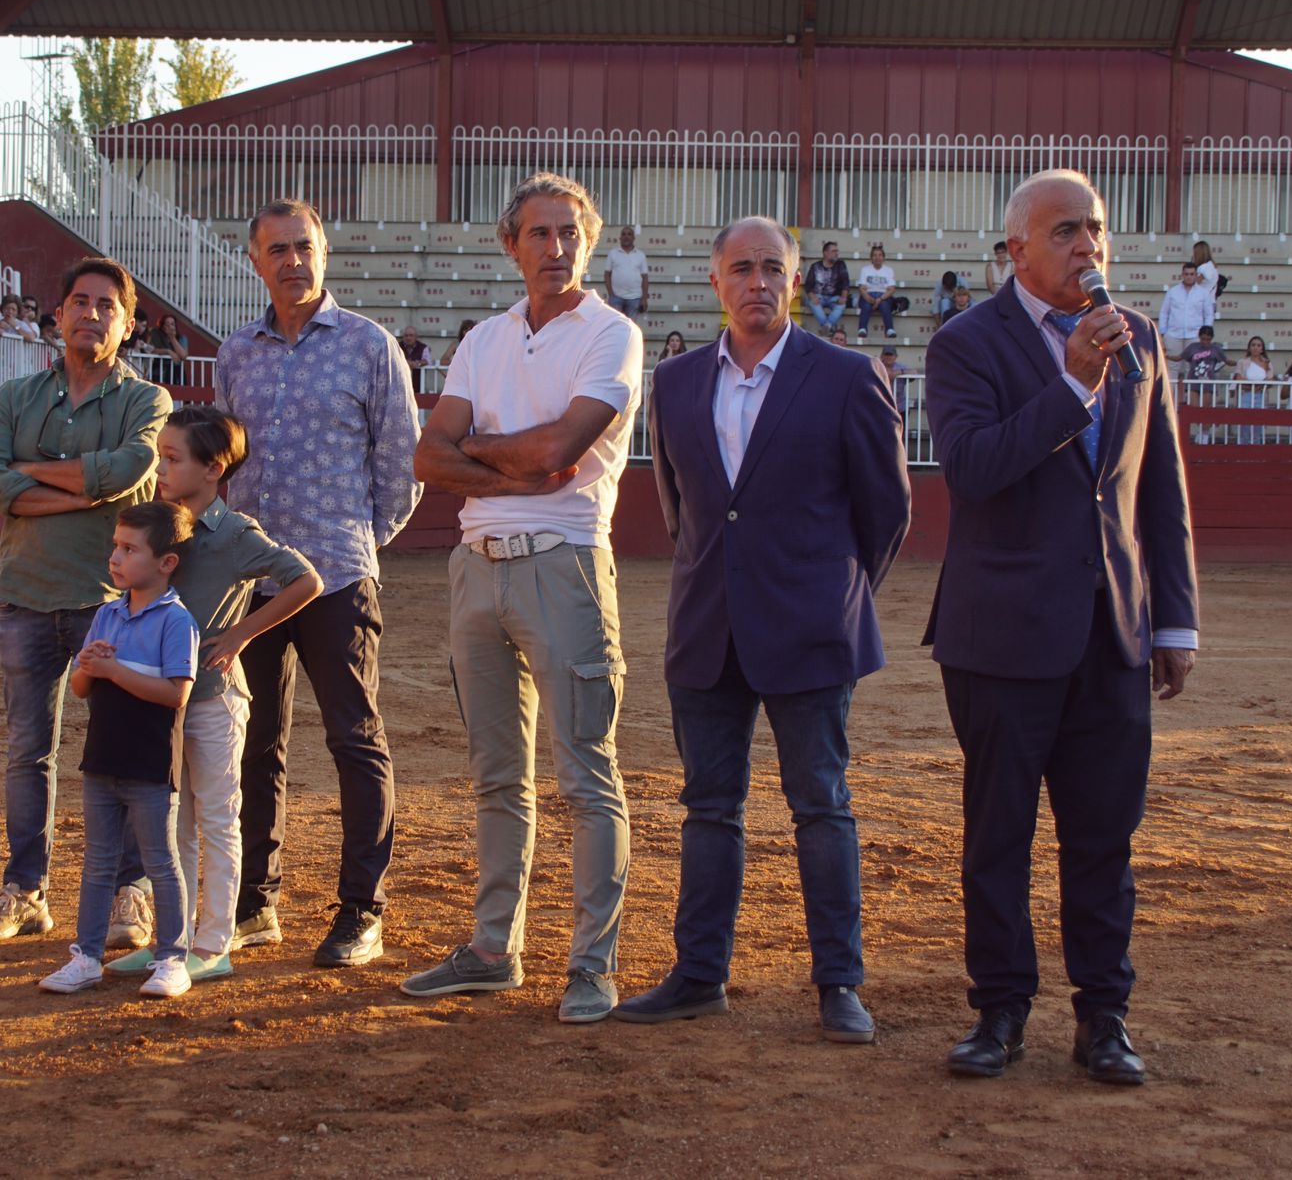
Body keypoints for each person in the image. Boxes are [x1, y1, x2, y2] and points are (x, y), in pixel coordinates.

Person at [923, 168, 1199, 1088]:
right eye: (1068, 231)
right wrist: (1073, 382)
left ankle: (1104, 1018)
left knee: (1103, 839)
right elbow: (971, 470)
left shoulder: (1143, 341)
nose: (1090, 246)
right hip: (1000, 637)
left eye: (1098, 229)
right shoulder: (967, 343)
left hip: (1111, 632)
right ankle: (999, 1012)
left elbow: (1159, 491)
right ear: (1018, 251)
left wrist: (1176, 623)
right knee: (998, 834)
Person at [618, 215, 911, 1043]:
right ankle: (699, 974)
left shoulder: (849, 375)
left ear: (796, 281)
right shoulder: (673, 384)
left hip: (813, 628)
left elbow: (886, 512)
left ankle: (839, 984)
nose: (757, 282)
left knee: (821, 805)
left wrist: (834, 594)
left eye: (772, 268)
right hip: (708, 627)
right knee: (710, 807)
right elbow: (684, 510)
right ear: (716, 282)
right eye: (741, 268)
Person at [404, 171, 640, 1024]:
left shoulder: (611, 333)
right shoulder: (483, 338)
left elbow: (562, 450)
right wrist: (518, 462)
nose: (556, 248)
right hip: (477, 567)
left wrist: (487, 454)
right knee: (496, 776)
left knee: (586, 774)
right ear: (512, 245)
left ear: (590, 239)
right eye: (539, 234)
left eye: (571, 233)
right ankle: (494, 950)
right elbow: (431, 459)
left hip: (564, 562)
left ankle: (591, 963)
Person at [215, 199, 423, 967]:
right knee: (253, 743)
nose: (293, 261)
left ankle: (362, 910)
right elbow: (228, 467)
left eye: (305, 246)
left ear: (325, 253)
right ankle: (256, 904)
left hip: (336, 576)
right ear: (255, 261)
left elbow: (400, 465)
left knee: (354, 739)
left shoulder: (369, 347)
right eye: (277, 249)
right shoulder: (236, 353)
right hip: (255, 583)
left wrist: (357, 544)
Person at [0, 256, 174, 946]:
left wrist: (30, 474)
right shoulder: (17, 395)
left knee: (126, 752)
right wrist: (84, 494)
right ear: (58, 317)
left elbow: (128, 470)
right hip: (25, 595)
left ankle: (130, 893)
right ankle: (26, 891)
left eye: (106, 305)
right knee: (29, 750)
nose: (90, 313)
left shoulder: (146, 401)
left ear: (127, 324)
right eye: (79, 302)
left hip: (110, 602)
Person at [117, 405, 323, 987]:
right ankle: (172, 943)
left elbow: (307, 579)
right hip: (160, 698)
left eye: (173, 459)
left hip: (212, 697)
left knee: (215, 819)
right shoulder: (158, 524)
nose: (161, 468)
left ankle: (214, 943)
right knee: (170, 824)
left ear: (213, 469)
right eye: (161, 456)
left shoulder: (235, 534)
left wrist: (240, 633)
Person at [37, 501, 201, 1000]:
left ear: (166, 562)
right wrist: (87, 665)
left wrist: (112, 671)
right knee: (98, 861)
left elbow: (177, 693)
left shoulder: (177, 621)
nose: (116, 557)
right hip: (102, 759)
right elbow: (84, 688)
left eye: (130, 549)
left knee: (160, 861)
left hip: (150, 763)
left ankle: (173, 957)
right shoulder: (107, 613)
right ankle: (86, 956)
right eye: (116, 546)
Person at [1158, 263, 1214, 373]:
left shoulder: (1203, 293)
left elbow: (1209, 314)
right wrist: (1163, 332)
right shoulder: (1172, 292)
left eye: (1192, 274)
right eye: (1186, 274)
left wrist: (1205, 333)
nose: (1189, 276)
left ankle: (1190, 391)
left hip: (1195, 335)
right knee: (1173, 366)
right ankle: (1172, 391)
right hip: (1174, 334)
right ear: (1182, 275)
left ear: (1196, 275)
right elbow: (1164, 312)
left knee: (1193, 366)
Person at [803, 241, 850, 335]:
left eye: (837, 251)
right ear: (825, 253)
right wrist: (812, 297)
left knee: (842, 305)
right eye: (833, 251)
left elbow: (845, 282)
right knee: (813, 303)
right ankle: (828, 326)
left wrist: (844, 297)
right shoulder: (815, 266)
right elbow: (808, 285)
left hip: (834, 298)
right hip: (818, 296)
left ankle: (826, 326)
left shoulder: (840, 265)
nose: (836, 253)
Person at [854, 243, 899, 341]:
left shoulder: (889, 270)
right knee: (866, 305)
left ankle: (889, 329)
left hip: (883, 296)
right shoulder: (865, 270)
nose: (877, 257)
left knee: (885, 305)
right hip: (868, 295)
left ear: (883, 257)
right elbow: (861, 288)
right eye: (874, 255)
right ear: (871, 258)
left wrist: (880, 299)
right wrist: (870, 299)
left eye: (879, 255)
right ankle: (862, 329)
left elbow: (892, 289)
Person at [604, 225, 649, 320]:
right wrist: (611, 294)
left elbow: (645, 278)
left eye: (629, 234)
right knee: (615, 325)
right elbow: (607, 274)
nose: (626, 236)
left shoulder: (640, 255)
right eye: (623, 234)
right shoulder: (613, 253)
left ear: (633, 238)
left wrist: (644, 299)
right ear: (620, 238)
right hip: (616, 297)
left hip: (635, 297)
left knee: (631, 328)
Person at [1234, 336, 1272, 444]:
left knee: (1257, 427)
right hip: (1245, 395)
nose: (1255, 348)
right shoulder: (1242, 362)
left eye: (1258, 345)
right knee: (1244, 427)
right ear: (1249, 348)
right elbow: (1239, 379)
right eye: (1253, 345)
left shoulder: (1267, 363)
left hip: (1260, 396)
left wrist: (1259, 386)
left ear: (1262, 349)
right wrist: (1254, 386)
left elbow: (1269, 380)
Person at [397, 325, 430, 391]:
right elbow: (394, 359)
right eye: (406, 335)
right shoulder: (397, 346)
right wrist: (407, 363)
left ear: (416, 337)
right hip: (400, 385)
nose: (408, 338)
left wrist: (417, 363)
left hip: (418, 385)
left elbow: (427, 361)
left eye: (411, 335)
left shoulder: (423, 347)